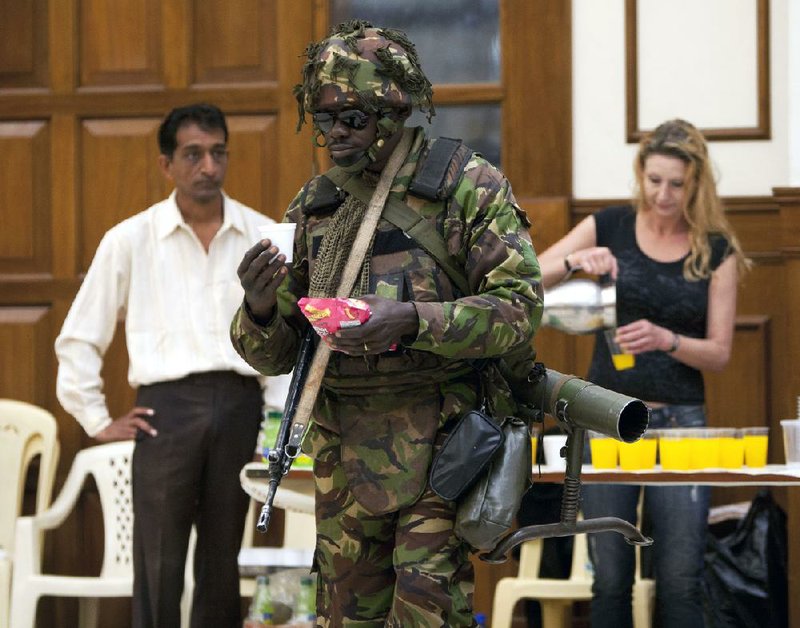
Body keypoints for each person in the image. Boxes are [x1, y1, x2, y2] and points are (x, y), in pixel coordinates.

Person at [230, 20, 543, 627]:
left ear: (394, 113)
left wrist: (414, 319)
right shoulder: (318, 204)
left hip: (442, 449)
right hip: (343, 454)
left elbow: (519, 309)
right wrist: (260, 307)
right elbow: (274, 354)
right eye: (323, 119)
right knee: (344, 618)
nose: (335, 134)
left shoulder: (464, 187)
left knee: (428, 617)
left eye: (353, 119)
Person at [55, 103, 289, 628]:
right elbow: (78, 337)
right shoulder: (130, 240)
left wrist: (275, 426)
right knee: (158, 560)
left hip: (240, 407)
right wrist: (96, 418)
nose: (208, 166)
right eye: (193, 154)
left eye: (217, 152)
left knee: (222, 561)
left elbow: (285, 341)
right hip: (167, 411)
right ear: (167, 165)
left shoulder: (264, 237)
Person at [536, 118, 751, 628]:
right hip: (606, 418)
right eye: (654, 180)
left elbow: (720, 353)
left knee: (681, 578)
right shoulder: (608, 225)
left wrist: (666, 340)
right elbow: (529, 274)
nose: (664, 194)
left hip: (682, 422)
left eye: (677, 183)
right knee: (609, 579)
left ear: (697, 182)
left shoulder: (715, 249)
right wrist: (575, 261)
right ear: (641, 173)